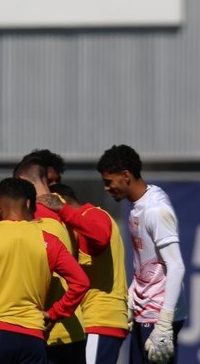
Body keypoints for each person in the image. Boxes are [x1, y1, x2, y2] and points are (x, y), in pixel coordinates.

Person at [0, 177, 90, 364]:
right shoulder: (49, 241)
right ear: (28, 203)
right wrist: (54, 313)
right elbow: (81, 282)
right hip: (34, 337)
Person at [97, 144, 187, 364]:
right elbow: (147, 263)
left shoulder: (155, 209)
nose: (107, 188)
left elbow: (176, 266)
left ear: (126, 176)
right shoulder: (138, 205)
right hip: (143, 312)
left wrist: (164, 323)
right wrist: (132, 298)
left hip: (157, 317)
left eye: (109, 182)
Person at [39, 183, 129, 363]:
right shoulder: (79, 226)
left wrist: (62, 210)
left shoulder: (94, 214)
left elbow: (100, 236)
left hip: (100, 319)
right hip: (94, 321)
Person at [14, 156, 86, 364]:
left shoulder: (36, 219)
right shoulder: (67, 209)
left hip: (49, 331)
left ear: (22, 181)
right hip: (74, 326)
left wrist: (53, 313)